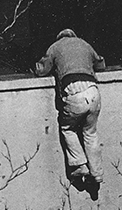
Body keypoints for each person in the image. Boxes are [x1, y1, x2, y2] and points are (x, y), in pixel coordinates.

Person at [35, 29, 105, 196]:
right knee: (90, 133)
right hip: (93, 92)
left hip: (74, 92)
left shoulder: (54, 47)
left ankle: (80, 165)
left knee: (68, 128)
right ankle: (97, 174)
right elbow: (100, 64)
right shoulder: (84, 44)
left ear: (59, 37)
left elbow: (42, 69)